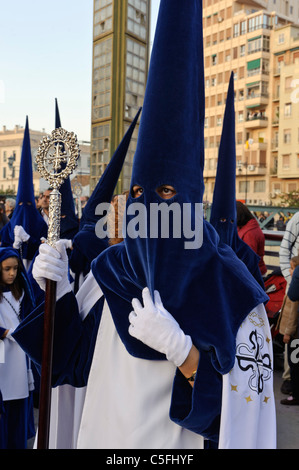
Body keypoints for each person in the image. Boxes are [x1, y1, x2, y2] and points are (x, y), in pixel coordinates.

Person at [13, 0, 275, 450]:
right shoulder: (113, 270)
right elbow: (69, 365)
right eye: (139, 195)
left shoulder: (232, 291)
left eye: (168, 194)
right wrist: (50, 291)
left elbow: (241, 417)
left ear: (191, 197)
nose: (150, 207)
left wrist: (185, 355)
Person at [0, 247, 36, 448]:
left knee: (17, 398)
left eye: (15, 268)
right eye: (7, 269)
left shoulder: (21, 292)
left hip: (19, 353)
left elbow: (30, 315)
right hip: (1, 350)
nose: (12, 273)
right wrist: (5, 333)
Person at [279, 211, 299, 394]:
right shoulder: (297, 219)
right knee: (292, 336)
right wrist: (291, 278)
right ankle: (289, 378)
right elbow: (284, 250)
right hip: (296, 288)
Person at [278, 256, 299, 405]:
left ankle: (295, 394)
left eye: (292, 268)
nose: (290, 271)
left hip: (294, 334)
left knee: (294, 363)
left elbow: (293, 314)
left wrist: (288, 332)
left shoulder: (295, 289)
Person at [236, 201, 267, 276]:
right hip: (251, 272)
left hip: (252, 274)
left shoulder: (249, 233)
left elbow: (249, 260)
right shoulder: (248, 228)